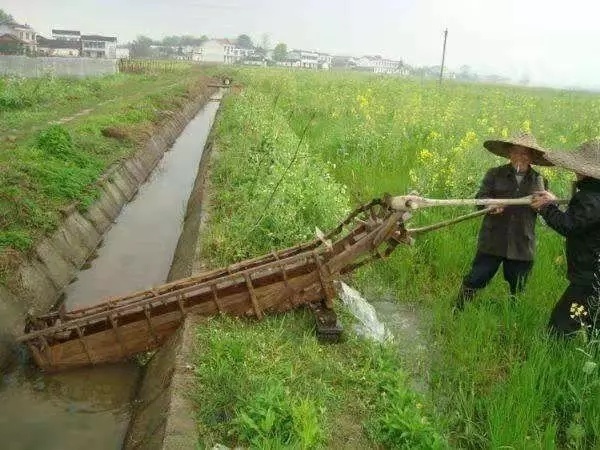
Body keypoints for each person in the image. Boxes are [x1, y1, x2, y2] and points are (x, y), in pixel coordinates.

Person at [455, 133, 551, 310]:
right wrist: (489, 204)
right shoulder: (494, 174)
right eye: (516, 152)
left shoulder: (540, 180)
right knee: (476, 278)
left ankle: (513, 319)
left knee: (518, 287)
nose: (520, 158)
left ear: (532, 158)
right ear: (509, 154)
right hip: (493, 240)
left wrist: (544, 205)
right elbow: (480, 199)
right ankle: (457, 311)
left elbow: (544, 209)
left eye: (525, 154)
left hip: (521, 243)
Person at [531, 138, 600, 336]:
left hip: (591, 274)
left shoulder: (589, 197)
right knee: (594, 324)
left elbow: (568, 225)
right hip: (595, 271)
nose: (574, 171)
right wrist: (553, 203)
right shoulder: (593, 193)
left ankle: (549, 359)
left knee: (559, 326)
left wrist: (545, 208)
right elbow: (583, 218)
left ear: (585, 171)